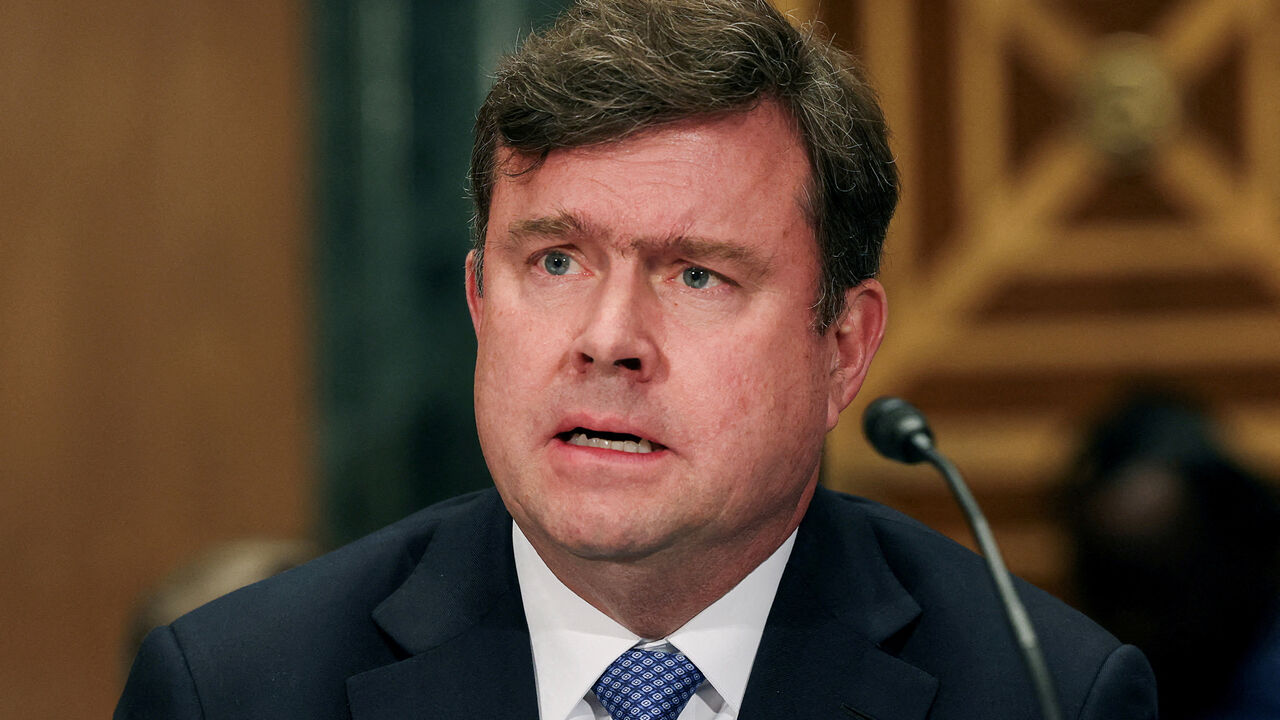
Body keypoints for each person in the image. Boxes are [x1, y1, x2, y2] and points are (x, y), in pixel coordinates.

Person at [117, 1, 1157, 718]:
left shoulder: (1039, 694)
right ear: (479, 302)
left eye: (697, 275)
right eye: (556, 261)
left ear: (842, 348)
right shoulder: (237, 688)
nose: (608, 338)